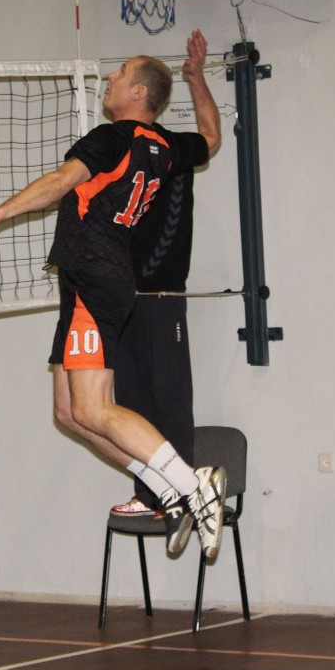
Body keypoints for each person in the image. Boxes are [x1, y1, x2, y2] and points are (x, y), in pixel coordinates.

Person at [0, 30, 227, 559]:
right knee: (69, 412)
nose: (109, 77)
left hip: (95, 280)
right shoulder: (166, 147)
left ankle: (192, 484)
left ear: (138, 93)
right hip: (91, 279)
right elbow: (212, 137)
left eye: (119, 73)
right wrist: (197, 79)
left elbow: (61, 181)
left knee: (95, 407)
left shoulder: (114, 139)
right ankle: (169, 490)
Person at [110, 168, 198, 519]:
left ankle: (185, 493)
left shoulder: (174, 153)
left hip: (161, 296)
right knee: (130, 401)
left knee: (170, 397)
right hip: (121, 298)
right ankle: (150, 495)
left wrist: (148, 276)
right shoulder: (119, 160)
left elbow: (209, 140)